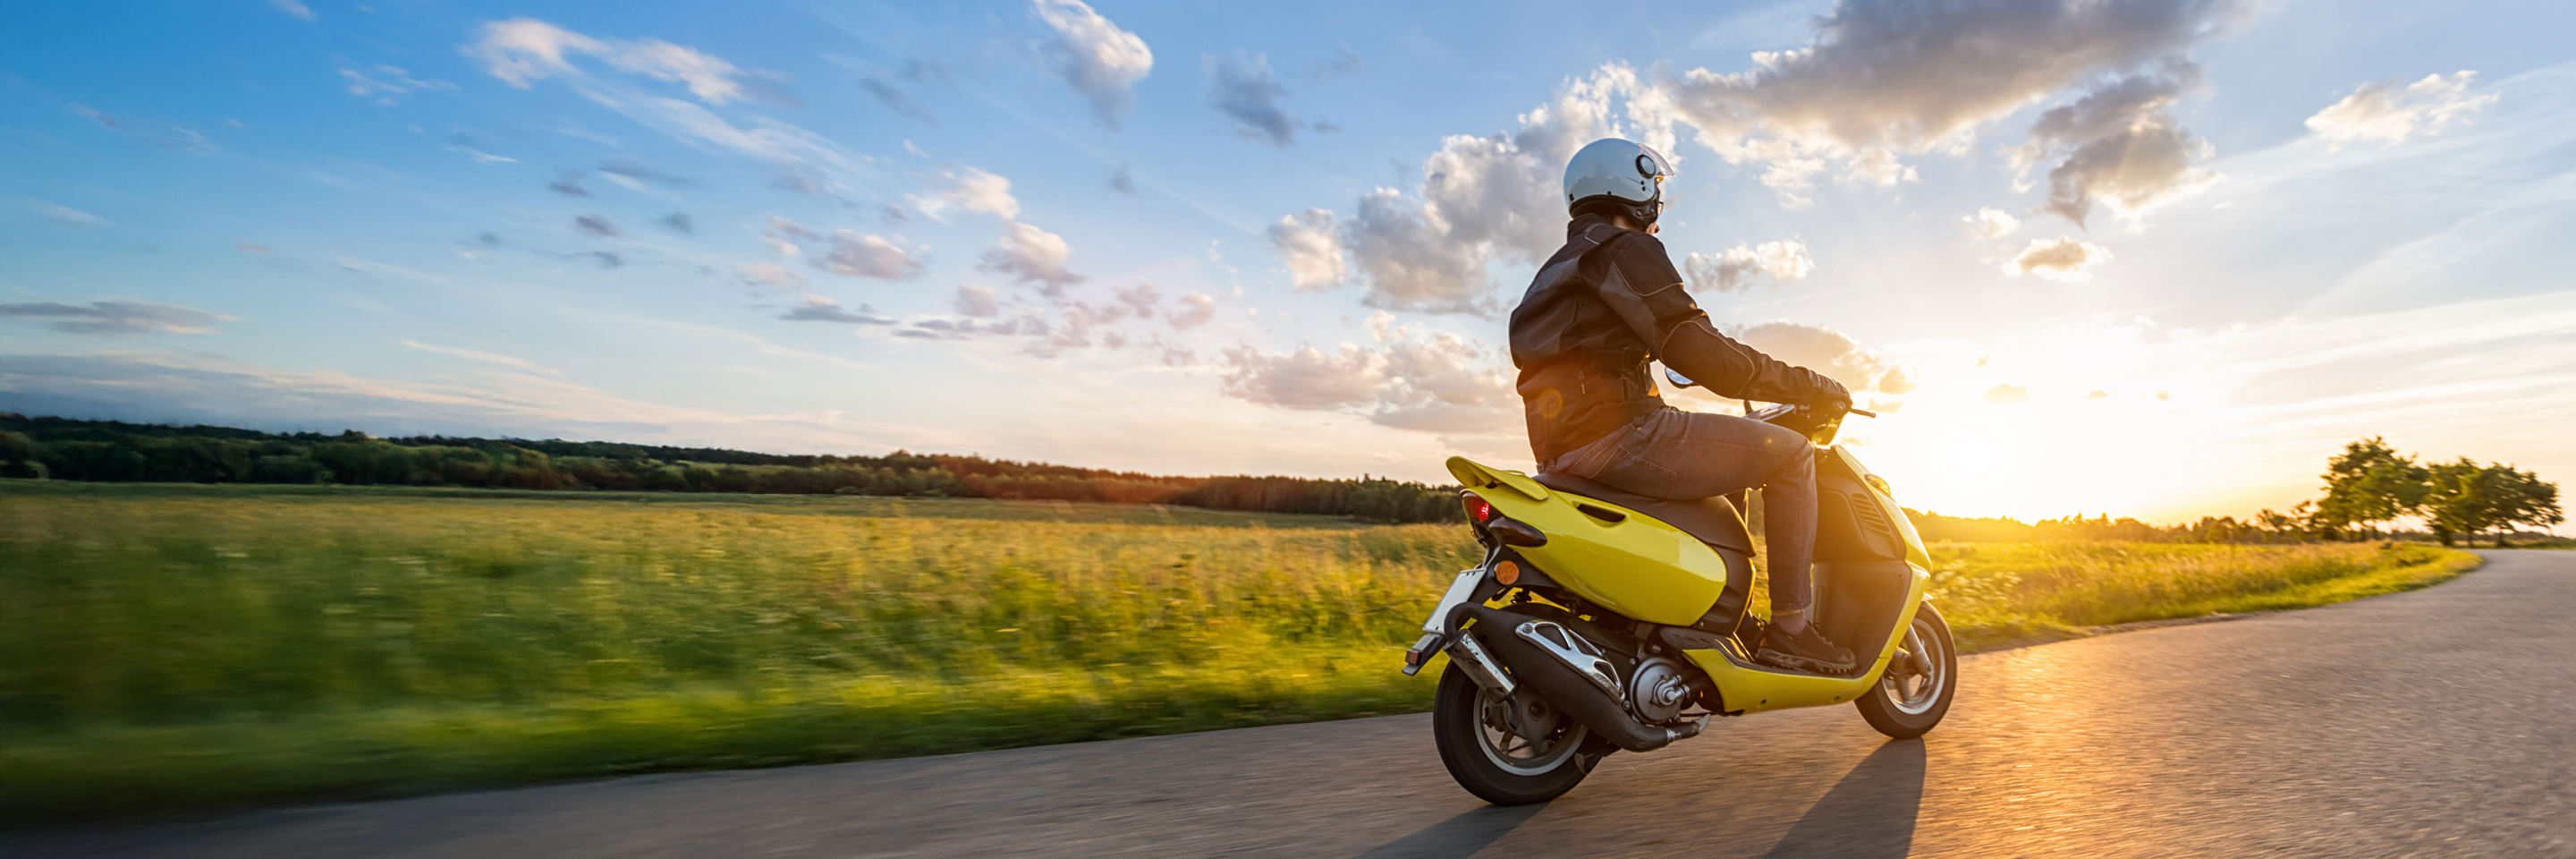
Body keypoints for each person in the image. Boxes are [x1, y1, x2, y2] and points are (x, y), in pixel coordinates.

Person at [1507, 138, 1856, 674]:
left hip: (1558, 452)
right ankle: (1792, 628)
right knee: (1788, 455)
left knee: (1726, 469)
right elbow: (1700, 350)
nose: (1659, 215)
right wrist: (1805, 384)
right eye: (1656, 194)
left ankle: (1719, 616)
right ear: (1635, 187)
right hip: (1622, 436)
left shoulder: (1555, 271)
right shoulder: (1624, 249)